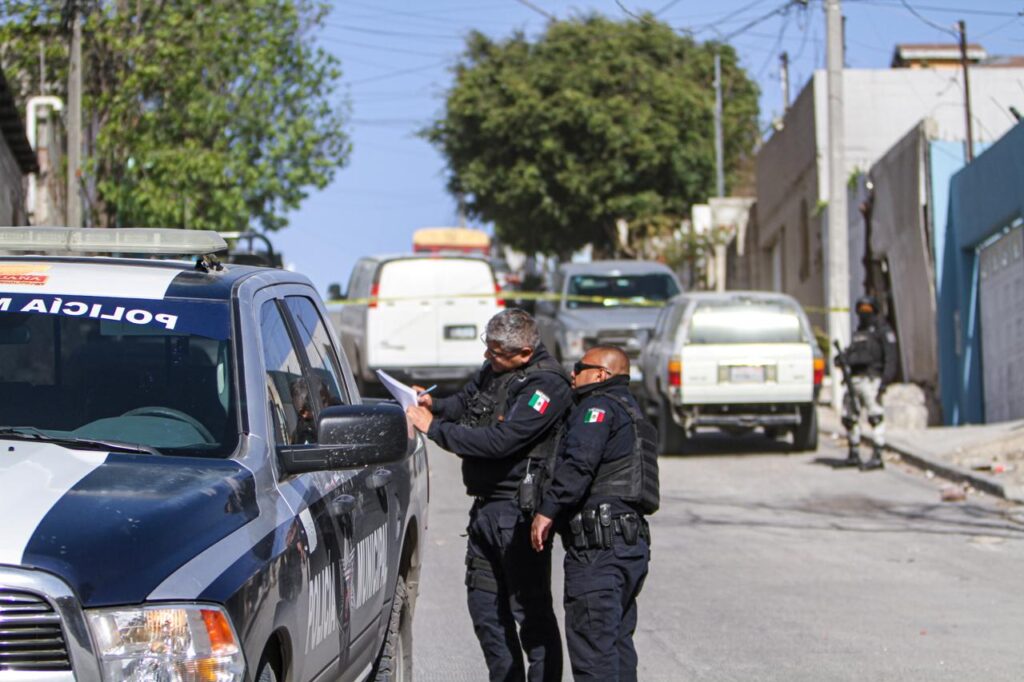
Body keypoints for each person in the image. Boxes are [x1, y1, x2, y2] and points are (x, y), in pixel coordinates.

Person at [407, 309, 570, 682]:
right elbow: (465, 403)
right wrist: (434, 405)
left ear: (525, 352)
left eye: (497, 352)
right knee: (485, 609)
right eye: (488, 346)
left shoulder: (547, 386)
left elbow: (501, 442)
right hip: (485, 510)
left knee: (530, 615)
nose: (487, 357)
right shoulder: (494, 371)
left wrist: (434, 430)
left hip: (518, 512)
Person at [530, 346, 658, 682]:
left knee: (593, 656)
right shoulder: (632, 410)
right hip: (628, 546)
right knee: (616, 646)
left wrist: (547, 511)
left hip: (599, 551)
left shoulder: (598, 407)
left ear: (601, 375)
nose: (573, 374)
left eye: (579, 367)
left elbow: (579, 464)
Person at [837, 295, 898, 470]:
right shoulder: (859, 334)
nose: (864, 314)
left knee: (875, 417)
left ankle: (877, 454)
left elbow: (890, 358)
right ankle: (853, 452)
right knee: (849, 417)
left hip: (872, 381)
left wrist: (885, 382)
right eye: (861, 310)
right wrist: (842, 359)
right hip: (853, 382)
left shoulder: (882, 331)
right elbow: (850, 355)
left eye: (867, 310)